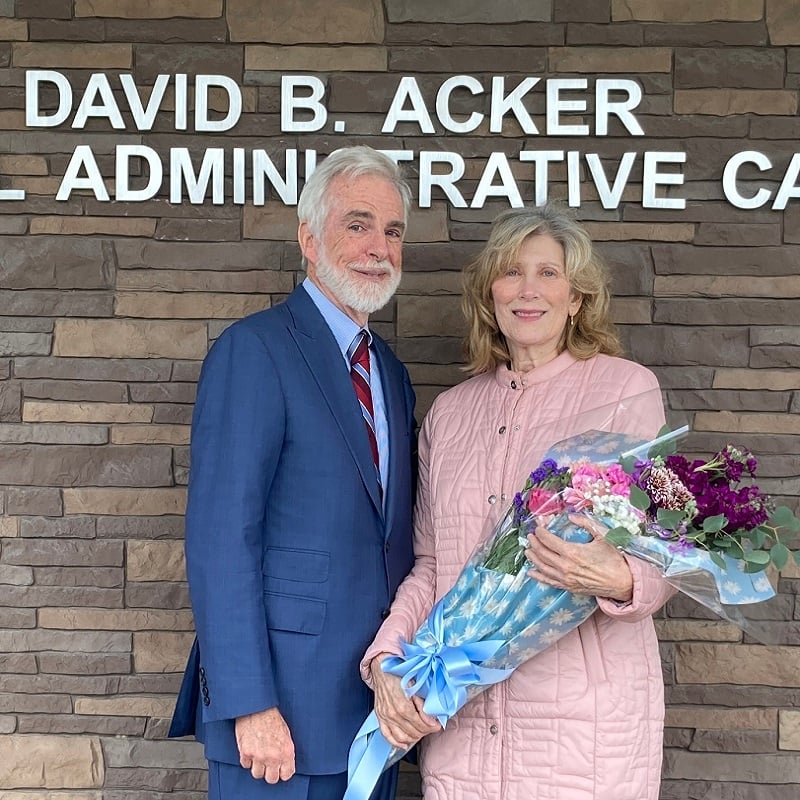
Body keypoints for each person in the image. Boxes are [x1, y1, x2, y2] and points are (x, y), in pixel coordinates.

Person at [361, 204, 674, 800]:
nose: (528, 290)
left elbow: (665, 548)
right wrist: (387, 660)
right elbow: (431, 565)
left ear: (577, 297)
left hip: (585, 733)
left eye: (549, 273)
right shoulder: (450, 413)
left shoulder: (623, 391)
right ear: (490, 294)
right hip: (463, 724)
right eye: (511, 272)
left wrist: (624, 578)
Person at [169, 146, 418, 800]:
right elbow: (221, 539)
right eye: (357, 224)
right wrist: (249, 705)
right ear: (309, 239)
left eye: (393, 231)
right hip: (277, 726)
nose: (378, 246)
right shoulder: (255, 352)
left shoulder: (388, 372)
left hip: (370, 717)